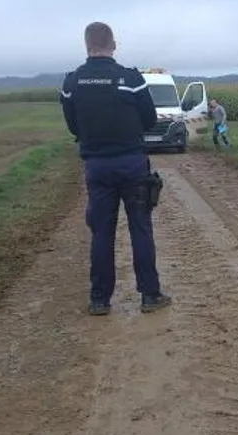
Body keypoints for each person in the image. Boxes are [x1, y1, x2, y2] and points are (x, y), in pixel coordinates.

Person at [60, 22, 172, 316]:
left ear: (86, 46)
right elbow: (149, 119)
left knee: (101, 232)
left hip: (96, 166)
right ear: (113, 44)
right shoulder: (131, 79)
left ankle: (99, 300)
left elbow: (72, 124)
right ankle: (150, 295)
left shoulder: (72, 83)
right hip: (132, 163)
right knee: (140, 229)